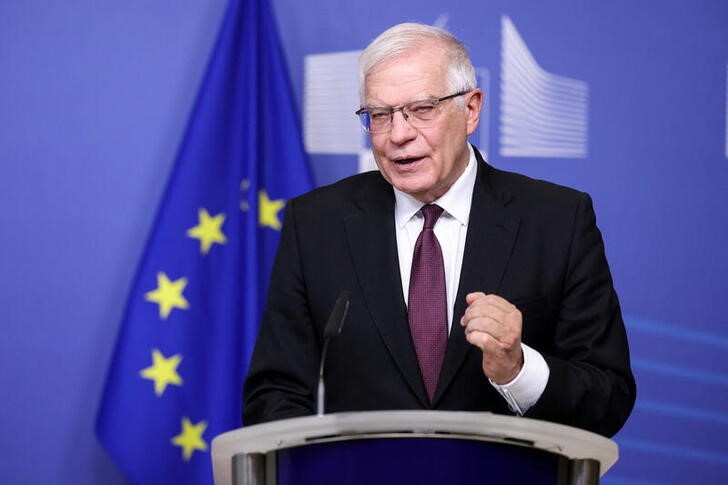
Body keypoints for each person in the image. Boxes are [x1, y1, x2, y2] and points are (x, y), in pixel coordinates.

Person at [243, 23, 635, 437]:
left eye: (422, 109)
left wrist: (517, 370)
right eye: (379, 115)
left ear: (471, 110)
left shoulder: (557, 220)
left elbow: (608, 398)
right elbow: (275, 392)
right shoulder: (316, 223)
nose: (398, 135)